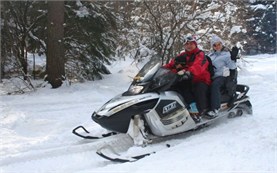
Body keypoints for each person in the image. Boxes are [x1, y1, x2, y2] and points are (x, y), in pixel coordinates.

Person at [164, 35, 211, 122]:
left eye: (191, 44)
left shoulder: (200, 54)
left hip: (200, 78)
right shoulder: (182, 55)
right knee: (172, 87)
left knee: (197, 88)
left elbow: (198, 66)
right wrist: (161, 70)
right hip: (187, 78)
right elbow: (172, 64)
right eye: (187, 44)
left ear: (195, 44)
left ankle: (198, 111)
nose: (189, 46)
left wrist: (189, 72)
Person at [206, 35, 237, 118]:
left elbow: (232, 67)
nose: (217, 46)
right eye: (215, 45)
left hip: (223, 76)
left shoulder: (226, 55)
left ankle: (215, 109)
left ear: (222, 44)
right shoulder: (210, 55)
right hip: (212, 76)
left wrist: (233, 58)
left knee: (215, 85)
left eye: (219, 44)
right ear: (212, 46)